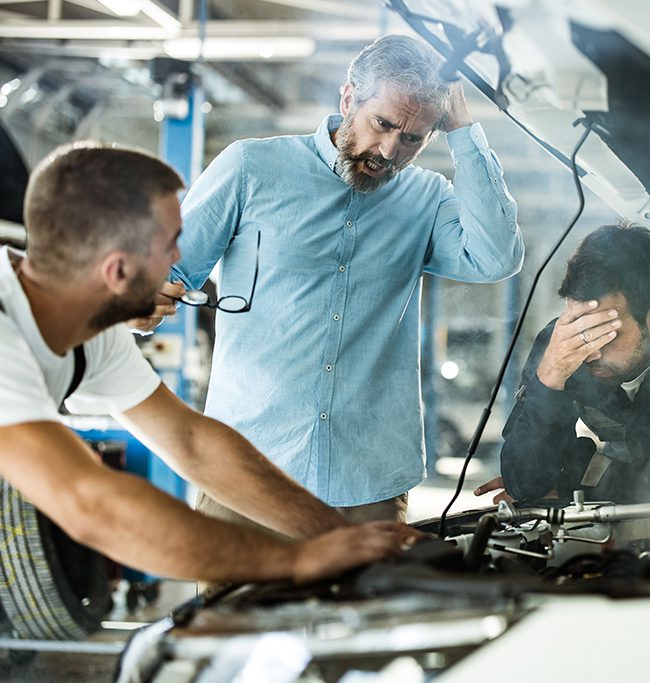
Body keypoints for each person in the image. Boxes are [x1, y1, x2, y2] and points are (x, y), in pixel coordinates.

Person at [132, 34, 524, 528]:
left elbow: (495, 258)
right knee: (232, 608)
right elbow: (166, 272)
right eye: (382, 124)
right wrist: (142, 302)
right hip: (248, 475)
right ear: (348, 99)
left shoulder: (427, 197)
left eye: (412, 139)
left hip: (369, 486)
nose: (388, 150)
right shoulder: (251, 167)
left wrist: (464, 130)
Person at [0, 142, 420, 586]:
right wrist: (293, 563)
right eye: (169, 245)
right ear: (117, 272)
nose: (178, 259)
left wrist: (340, 539)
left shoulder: (90, 329)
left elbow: (191, 442)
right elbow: (91, 504)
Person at [475, 225, 650, 506]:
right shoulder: (562, 346)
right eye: (581, 327)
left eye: (607, 333)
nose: (589, 351)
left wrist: (573, 486)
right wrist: (550, 376)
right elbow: (524, 483)